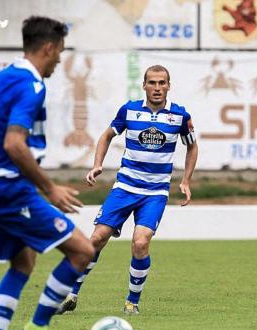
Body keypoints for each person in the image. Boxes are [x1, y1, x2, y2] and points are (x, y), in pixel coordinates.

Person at [0, 16, 94, 330]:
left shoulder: (3, 77)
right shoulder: (31, 86)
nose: (60, 59)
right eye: (59, 50)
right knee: (82, 252)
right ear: (48, 47)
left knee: (22, 264)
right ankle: (37, 329)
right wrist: (49, 188)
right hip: (12, 190)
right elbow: (16, 144)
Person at [55, 65, 198, 315]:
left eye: (161, 83)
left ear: (168, 86)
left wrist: (185, 180)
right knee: (97, 238)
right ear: (144, 85)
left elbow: (192, 147)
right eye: (152, 83)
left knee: (141, 243)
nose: (157, 88)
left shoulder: (180, 116)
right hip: (125, 187)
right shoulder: (129, 110)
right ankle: (72, 294)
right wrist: (97, 164)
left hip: (155, 192)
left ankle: (132, 302)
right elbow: (106, 136)